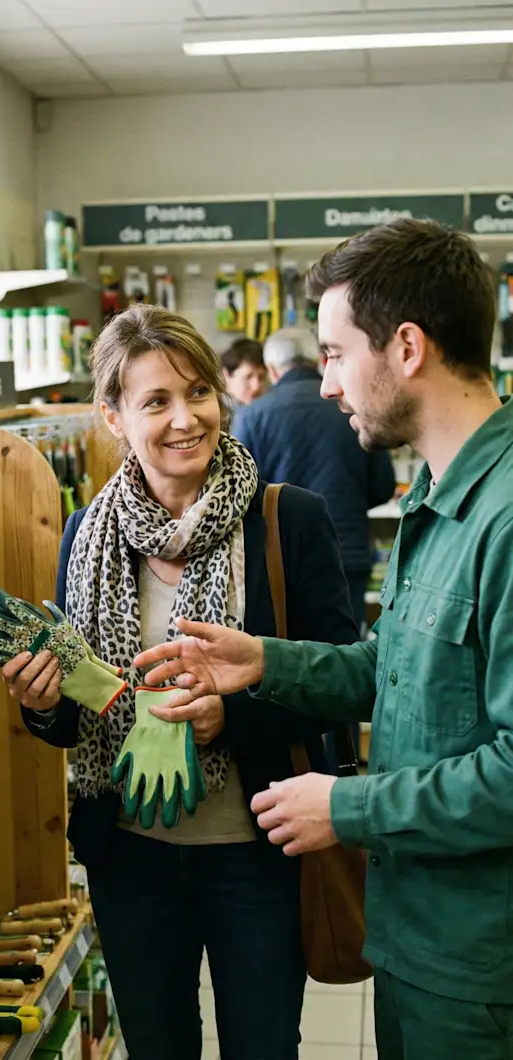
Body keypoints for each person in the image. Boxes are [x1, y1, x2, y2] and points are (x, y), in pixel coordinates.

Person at [135, 220, 513, 1060]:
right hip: (418, 943)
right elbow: (394, 671)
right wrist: (265, 660)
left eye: (338, 354)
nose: (328, 384)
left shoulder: (506, 517)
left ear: (406, 346)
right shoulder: (438, 496)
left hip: (483, 967)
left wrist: (348, 806)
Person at [1, 304, 359, 1060]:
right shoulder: (86, 536)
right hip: (132, 860)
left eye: (198, 392)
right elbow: (80, 714)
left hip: (256, 853)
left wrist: (227, 717)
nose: (185, 418)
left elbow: (340, 686)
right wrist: (42, 703)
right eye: (156, 401)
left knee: (263, 1047)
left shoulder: (287, 521)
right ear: (113, 417)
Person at [233, 325, 395, 634]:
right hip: (347, 553)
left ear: (271, 369)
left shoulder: (253, 417)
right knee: (341, 656)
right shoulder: (353, 410)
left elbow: (238, 493)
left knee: (280, 661)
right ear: (319, 360)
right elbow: (382, 486)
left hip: (275, 559)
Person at [220, 337, 268, 412]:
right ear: (226, 376)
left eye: (261, 377)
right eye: (248, 377)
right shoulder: (214, 416)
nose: (256, 386)